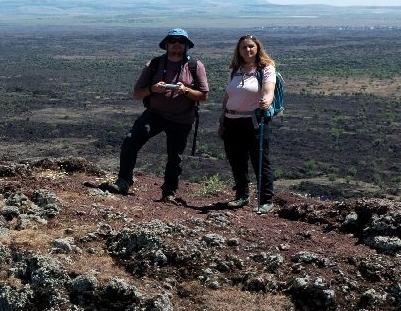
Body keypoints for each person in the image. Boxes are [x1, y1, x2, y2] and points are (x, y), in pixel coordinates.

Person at [110, 28, 210, 203]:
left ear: (186, 45)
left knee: (175, 156)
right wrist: (153, 89)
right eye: (173, 41)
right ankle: (124, 181)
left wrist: (186, 91)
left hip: (181, 118)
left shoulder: (195, 66)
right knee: (131, 140)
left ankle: (169, 192)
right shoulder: (154, 64)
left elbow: (203, 95)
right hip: (154, 114)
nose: (177, 44)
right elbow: (137, 93)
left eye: (181, 41)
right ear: (166, 44)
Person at [218, 34, 278, 213]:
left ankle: (266, 200)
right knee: (237, 161)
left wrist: (266, 100)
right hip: (231, 121)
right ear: (239, 50)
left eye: (251, 46)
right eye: (244, 47)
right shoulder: (234, 70)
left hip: (254, 122)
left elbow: (269, 90)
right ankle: (242, 196)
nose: (248, 50)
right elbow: (228, 95)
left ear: (258, 48)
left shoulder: (265, 69)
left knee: (260, 161)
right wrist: (222, 118)